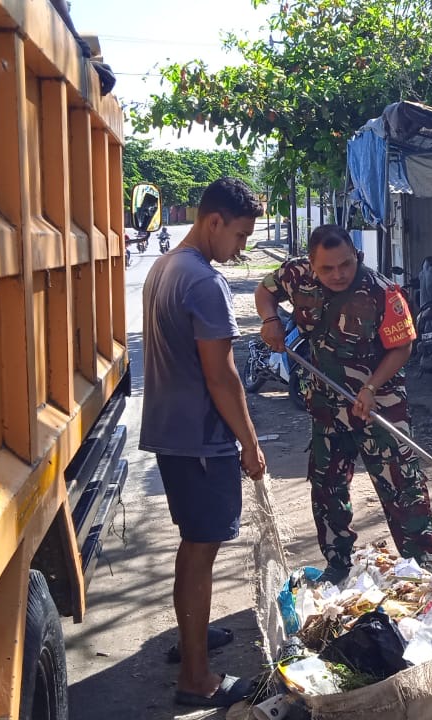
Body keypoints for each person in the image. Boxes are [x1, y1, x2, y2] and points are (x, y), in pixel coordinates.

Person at [255, 224, 432, 583]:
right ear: (312, 264)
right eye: (327, 268)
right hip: (326, 403)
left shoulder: (382, 292)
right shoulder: (295, 275)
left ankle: (422, 567)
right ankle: (338, 564)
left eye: (346, 264)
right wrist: (270, 320)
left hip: (379, 401)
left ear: (357, 256)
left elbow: (402, 346)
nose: (338, 274)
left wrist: (371, 387)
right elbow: (265, 291)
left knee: (402, 483)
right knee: (327, 486)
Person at [139, 177, 267, 708]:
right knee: (200, 550)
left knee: (194, 547)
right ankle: (196, 677)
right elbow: (222, 377)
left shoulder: (165, 267)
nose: (240, 247)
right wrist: (250, 443)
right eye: (239, 235)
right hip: (200, 440)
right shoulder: (204, 282)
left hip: (172, 433)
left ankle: (193, 637)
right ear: (214, 221)